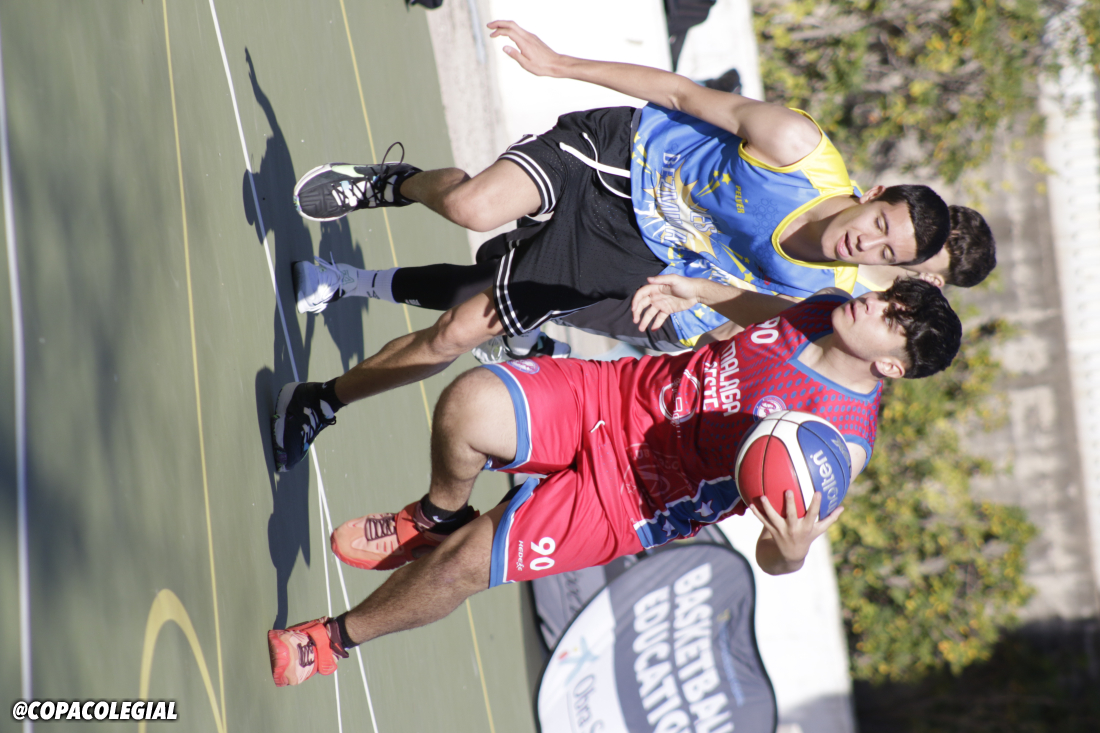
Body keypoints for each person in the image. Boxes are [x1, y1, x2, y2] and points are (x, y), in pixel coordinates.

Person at [272, 19, 962, 473]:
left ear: (892, 268)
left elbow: (746, 314)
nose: (867, 240)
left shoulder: (822, 291)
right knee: (469, 206)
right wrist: (559, 63)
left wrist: (694, 302)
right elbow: (679, 93)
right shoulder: (795, 148)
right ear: (874, 193)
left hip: (634, 251)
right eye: (881, 222)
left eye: (887, 252)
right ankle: (393, 184)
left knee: (457, 333)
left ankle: (322, 400)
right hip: (621, 159)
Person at [266, 276, 962, 686]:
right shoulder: (825, 306)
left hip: (636, 498)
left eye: (891, 317)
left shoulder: (837, 444)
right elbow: (762, 313)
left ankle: (331, 639)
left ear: (893, 367)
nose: (873, 302)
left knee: (463, 568)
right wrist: (702, 292)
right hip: (617, 395)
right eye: (885, 295)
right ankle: (435, 516)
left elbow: (775, 556)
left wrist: (795, 548)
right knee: (468, 402)